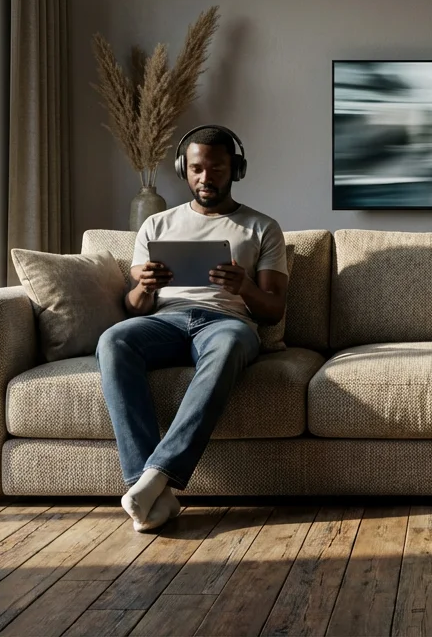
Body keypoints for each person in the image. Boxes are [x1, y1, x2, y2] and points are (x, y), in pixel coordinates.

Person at [97, 125, 288, 532]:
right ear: (184, 169)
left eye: (217, 168)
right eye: (197, 169)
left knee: (230, 344)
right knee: (113, 340)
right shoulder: (156, 226)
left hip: (227, 324)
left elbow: (273, 311)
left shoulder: (262, 227)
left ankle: (154, 478)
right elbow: (134, 308)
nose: (206, 178)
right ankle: (151, 490)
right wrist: (144, 288)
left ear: (235, 169)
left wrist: (246, 287)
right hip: (164, 320)